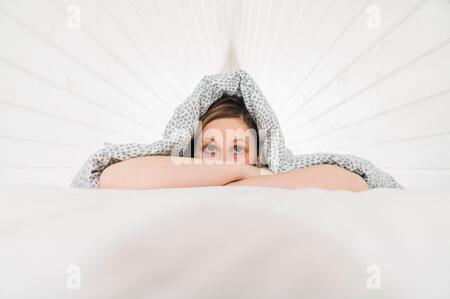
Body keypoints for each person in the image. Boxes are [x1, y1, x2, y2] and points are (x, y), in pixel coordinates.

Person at [98, 95, 368, 192]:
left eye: (238, 149)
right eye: (210, 148)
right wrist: (240, 171)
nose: (223, 159)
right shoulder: (178, 174)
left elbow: (353, 183)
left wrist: (248, 179)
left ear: (258, 157)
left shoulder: (267, 176)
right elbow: (112, 180)